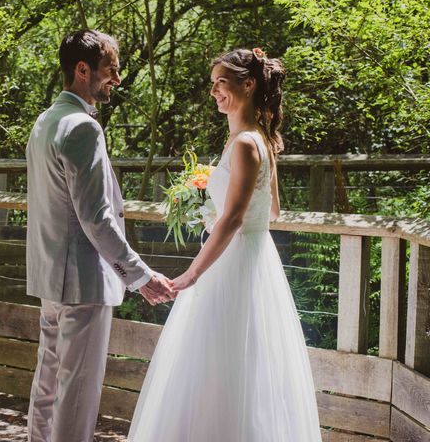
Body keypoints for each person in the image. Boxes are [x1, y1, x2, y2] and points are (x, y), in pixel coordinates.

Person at [128, 48, 322, 441]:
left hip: (234, 265)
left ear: (247, 85)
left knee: (225, 360)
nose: (214, 90)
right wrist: (209, 210)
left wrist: (191, 274)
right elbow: (272, 213)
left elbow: (234, 219)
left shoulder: (246, 144)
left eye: (222, 82)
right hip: (252, 256)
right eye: (213, 83)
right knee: (230, 360)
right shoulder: (257, 140)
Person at [25, 29, 175, 442]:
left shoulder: (45, 121)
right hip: (83, 283)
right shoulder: (82, 128)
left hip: (51, 279)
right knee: (76, 397)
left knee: (48, 386)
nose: (118, 78)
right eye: (112, 69)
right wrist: (140, 276)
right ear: (81, 69)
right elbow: (96, 219)